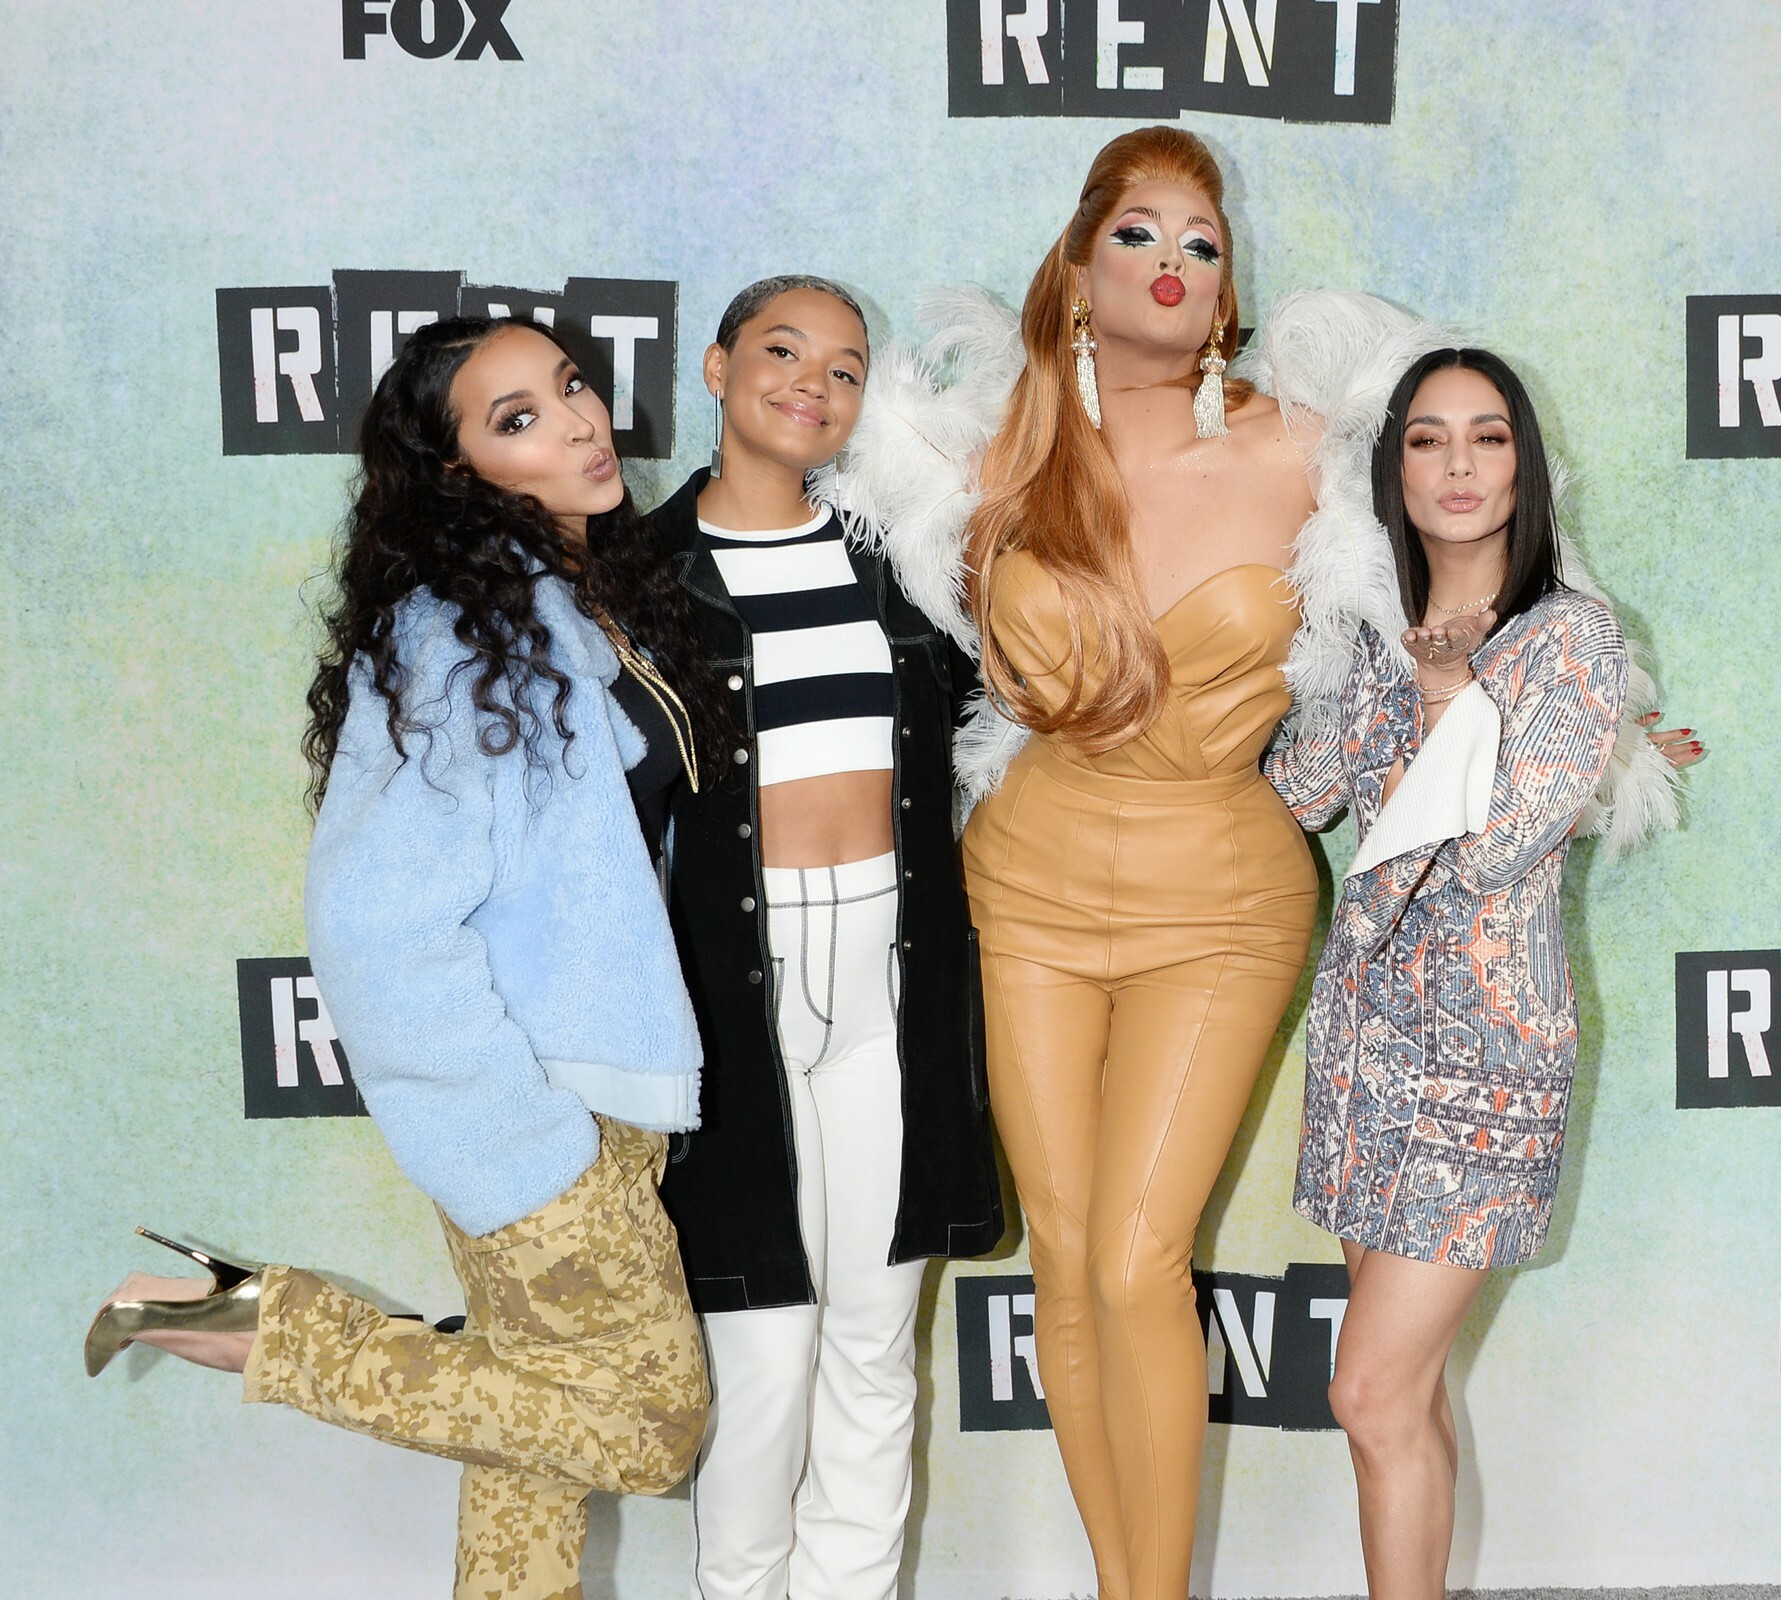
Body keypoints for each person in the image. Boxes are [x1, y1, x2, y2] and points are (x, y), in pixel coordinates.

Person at [85, 315, 727, 1600]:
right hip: (540, 1114)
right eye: (518, 418)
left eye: (570, 387)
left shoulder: (558, 607)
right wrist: (519, 1136)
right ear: (454, 471)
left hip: (589, 1098)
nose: (579, 420)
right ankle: (259, 1323)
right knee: (648, 1423)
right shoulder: (461, 637)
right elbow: (377, 923)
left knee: (534, 1450)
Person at [952, 126, 1325, 1600]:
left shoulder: (1302, 449)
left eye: (1202, 243)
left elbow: (1464, 540)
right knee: (1059, 1256)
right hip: (1027, 888)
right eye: (1138, 233)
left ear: (1226, 295)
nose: (1172, 262)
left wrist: (1575, 702)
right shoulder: (1001, 453)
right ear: (1076, 267)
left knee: (1131, 1260)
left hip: (1221, 901)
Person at [1263, 348, 1675, 1598]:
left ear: (1521, 467)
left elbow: (1493, 846)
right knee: (1400, 1402)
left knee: (1363, 1388)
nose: (1456, 465)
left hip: (1483, 1062)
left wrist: (1449, 695)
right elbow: (1300, 791)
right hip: (1362, 1046)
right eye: (1426, 438)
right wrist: (1305, 642)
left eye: (1486, 437)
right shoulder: (1364, 636)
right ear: (1389, 468)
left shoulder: (1570, 639)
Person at [647, 275, 1003, 1600]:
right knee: (762, 1353)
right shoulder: (634, 575)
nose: (813, 382)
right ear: (718, 366)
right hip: (728, 989)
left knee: (872, 1339)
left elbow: (1007, 706)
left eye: (845, 367)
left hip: (893, 975)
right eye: (783, 350)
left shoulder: (894, 559)